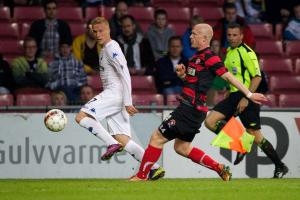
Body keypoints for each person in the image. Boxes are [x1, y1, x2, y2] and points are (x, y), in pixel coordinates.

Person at [129, 23, 267, 181]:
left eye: (194, 34)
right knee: (181, 147)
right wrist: (183, 76)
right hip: (194, 110)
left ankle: (141, 176)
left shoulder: (210, 57)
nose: (190, 36)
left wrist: (249, 94)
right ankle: (219, 168)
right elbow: (194, 82)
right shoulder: (195, 58)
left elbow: (228, 76)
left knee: (157, 137)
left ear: (204, 38)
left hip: (190, 109)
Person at [75, 17, 165, 180]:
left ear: (109, 30)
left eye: (101, 31)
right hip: (117, 97)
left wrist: (127, 101)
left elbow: (125, 73)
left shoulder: (111, 47)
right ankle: (154, 168)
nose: (98, 34)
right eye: (95, 32)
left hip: (114, 94)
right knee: (122, 139)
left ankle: (110, 144)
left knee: (81, 117)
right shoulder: (104, 49)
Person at [204, 23, 289, 178]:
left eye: (235, 35)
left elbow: (257, 77)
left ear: (242, 36)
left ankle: (280, 166)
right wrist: (230, 92)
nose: (231, 38)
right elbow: (233, 77)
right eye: (229, 35)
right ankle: (242, 145)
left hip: (248, 96)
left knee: (256, 136)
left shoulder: (248, 53)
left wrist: (246, 97)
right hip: (234, 95)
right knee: (210, 121)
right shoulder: (229, 51)